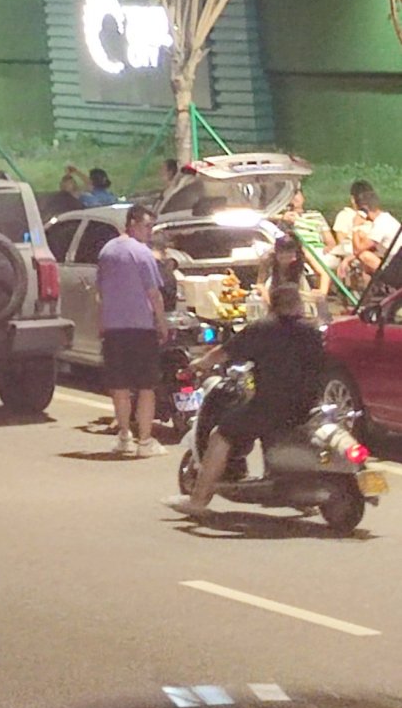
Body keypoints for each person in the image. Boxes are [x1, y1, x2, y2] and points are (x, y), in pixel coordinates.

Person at [173, 277, 329, 517]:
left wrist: (198, 364)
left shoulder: (262, 329)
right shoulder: (311, 331)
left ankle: (198, 500)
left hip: (271, 405)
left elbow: (223, 352)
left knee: (220, 435)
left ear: (271, 305)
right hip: (308, 406)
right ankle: (297, 495)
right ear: (298, 304)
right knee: (276, 434)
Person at [95, 204, 168, 458]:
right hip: (140, 328)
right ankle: (144, 441)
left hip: (113, 328)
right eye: (147, 226)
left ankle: (124, 436)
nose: (150, 232)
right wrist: (162, 323)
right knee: (146, 387)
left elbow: (100, 292)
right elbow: (154, 294)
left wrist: (101, 321)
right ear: (133, 223)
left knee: (120, 387)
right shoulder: (142, 253)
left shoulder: (107, 251)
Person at [332, 181, 399, 291]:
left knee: (364, 256)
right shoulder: (385, 219)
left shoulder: (380, 224)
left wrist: (355, 227)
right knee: (365, 252)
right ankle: (370, 291)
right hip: (395, 262)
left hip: (397, 269)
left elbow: (358, 250)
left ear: (364, 210)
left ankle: (375, 289)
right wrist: (348, 259)